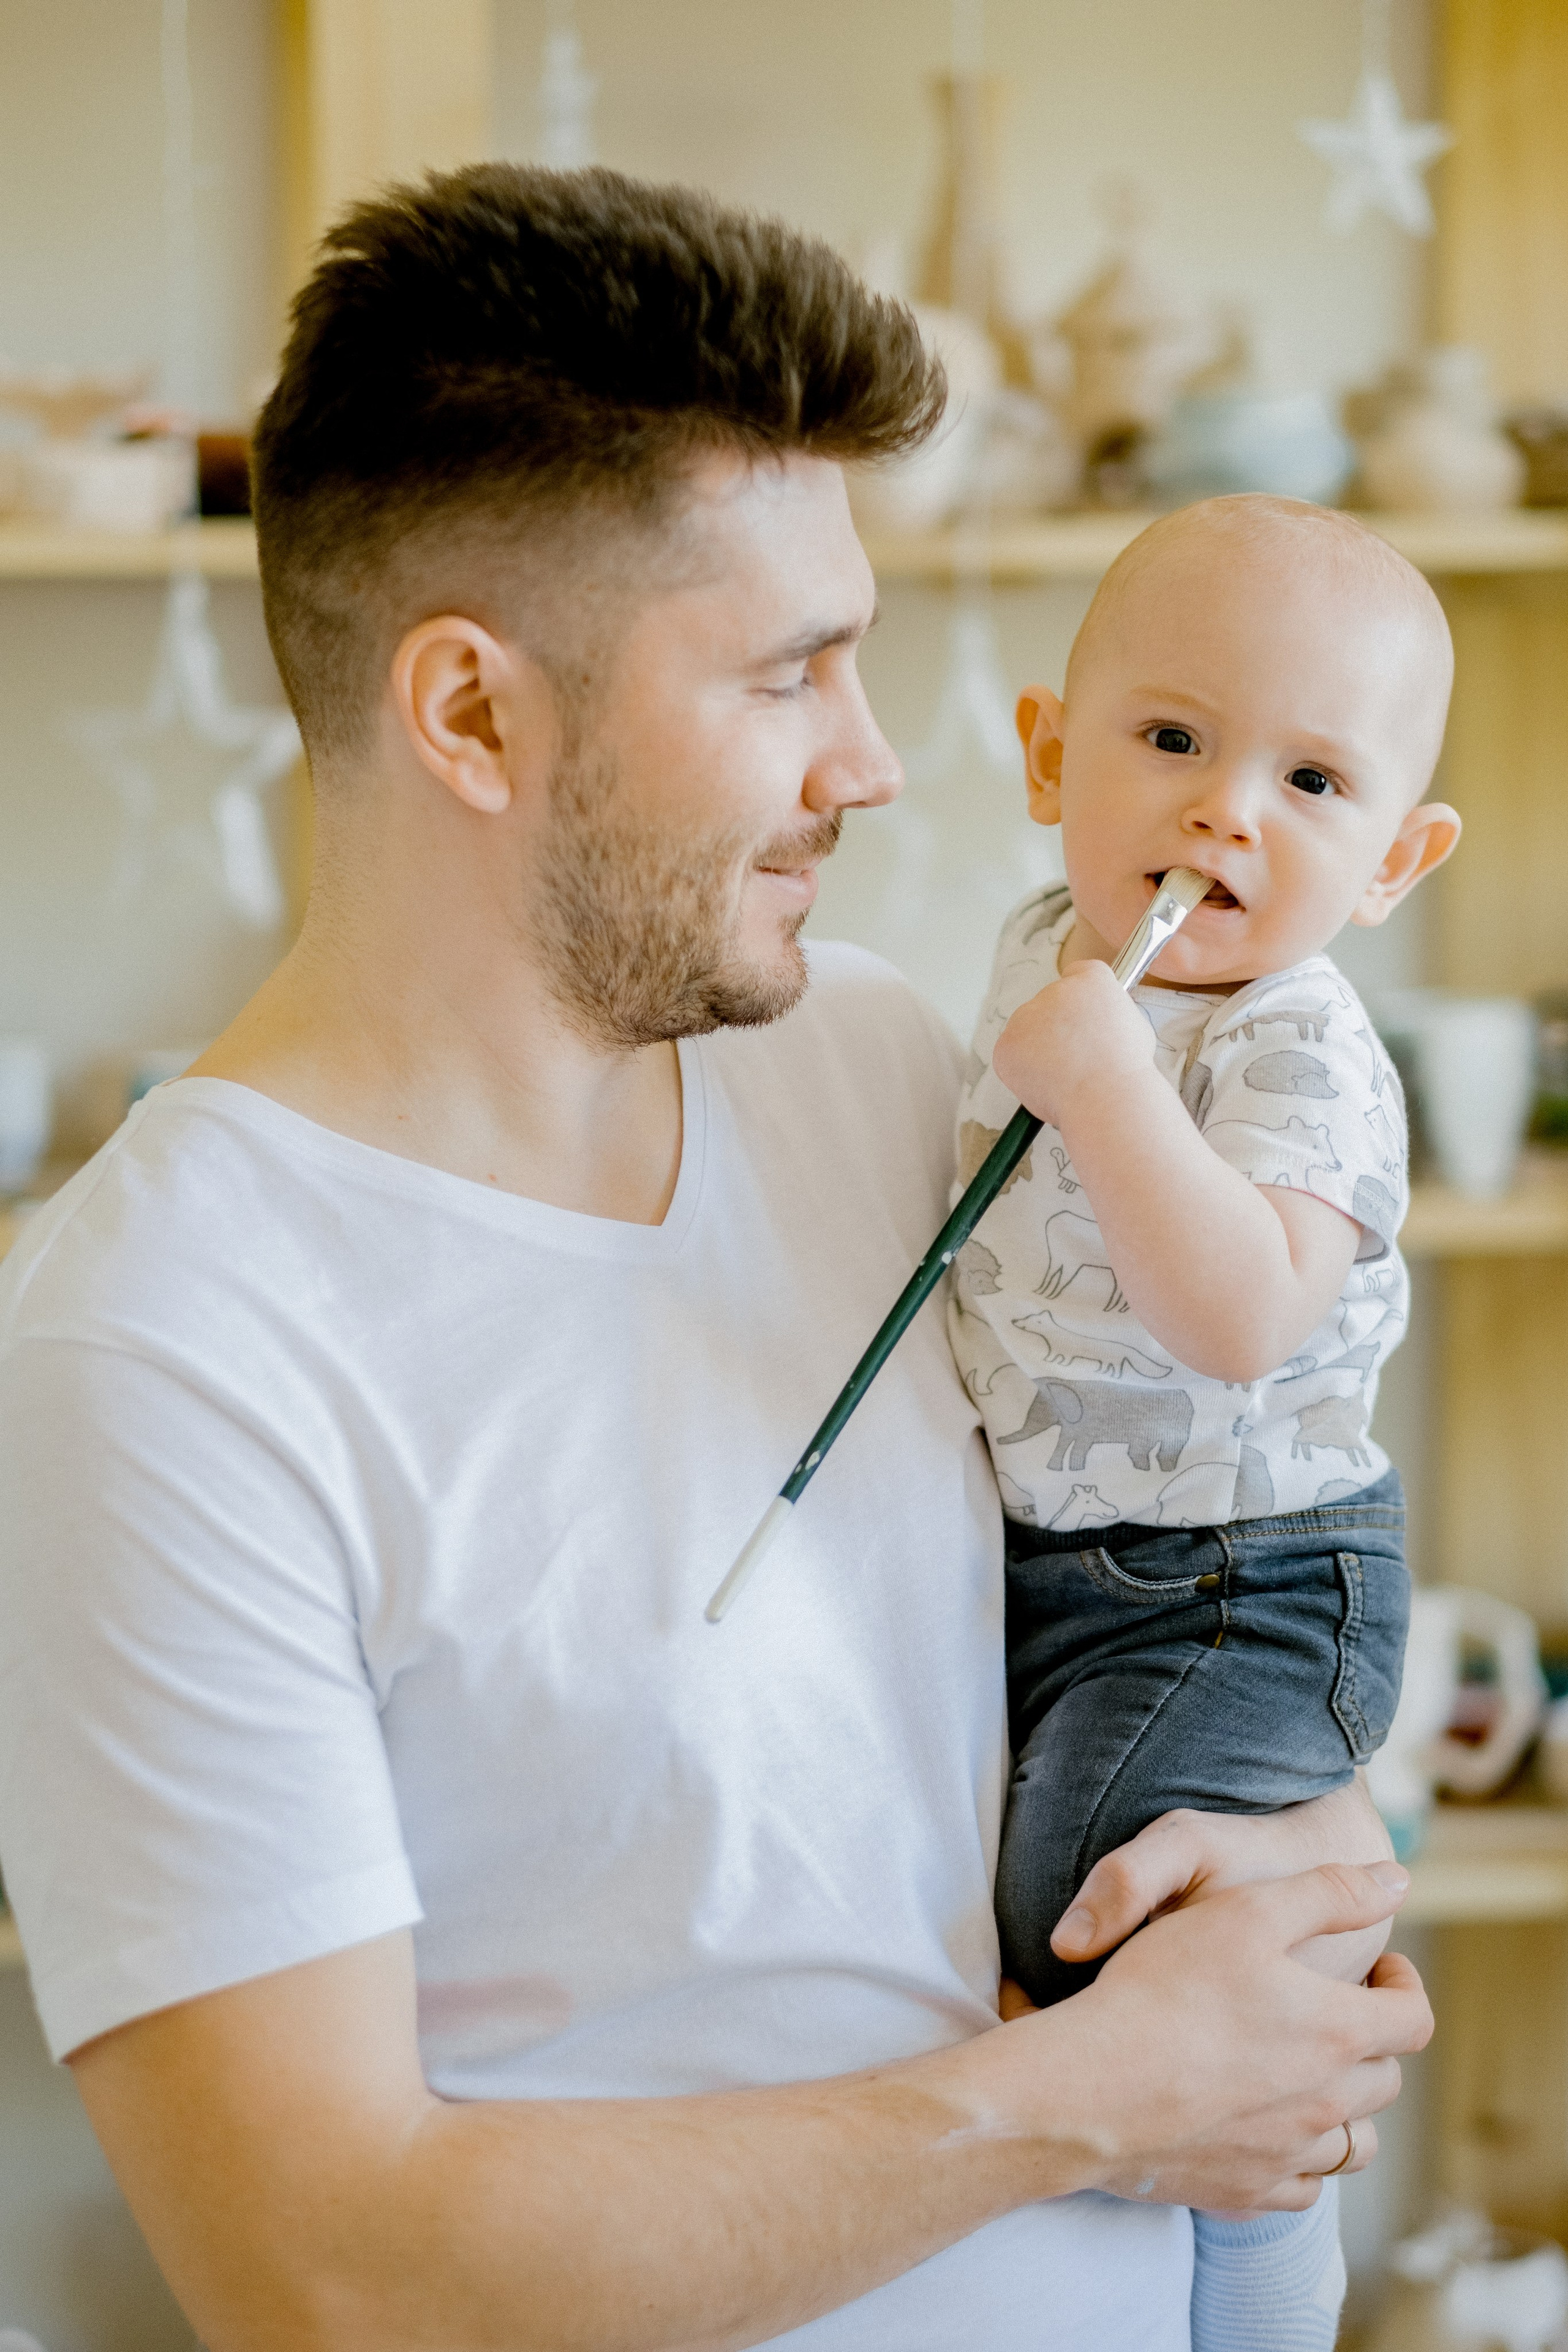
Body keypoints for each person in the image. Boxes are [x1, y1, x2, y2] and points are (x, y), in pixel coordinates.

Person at [0, 170, 1428, 2352]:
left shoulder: (879, 1059)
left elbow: (1156, 1562)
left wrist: (1294, 1850)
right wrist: (1086, 2097)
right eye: (792, 675)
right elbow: (322, 2277)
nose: (875, 762)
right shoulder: (158, 1350)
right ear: (473, 716)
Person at [950, 496, 1458, 2342]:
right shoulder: (1048, 950)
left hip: (1245, 1582)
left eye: (1311, 782)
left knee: (1076, 1896)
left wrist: (1109, 1095)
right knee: (1043, 1881)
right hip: (1071, 1563)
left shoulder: (1295, 1044)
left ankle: (1262, 2263)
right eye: (1171, 738)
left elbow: (1242, 1318)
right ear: (1047, 758)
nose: (1226, 811)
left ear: (1394, 859)